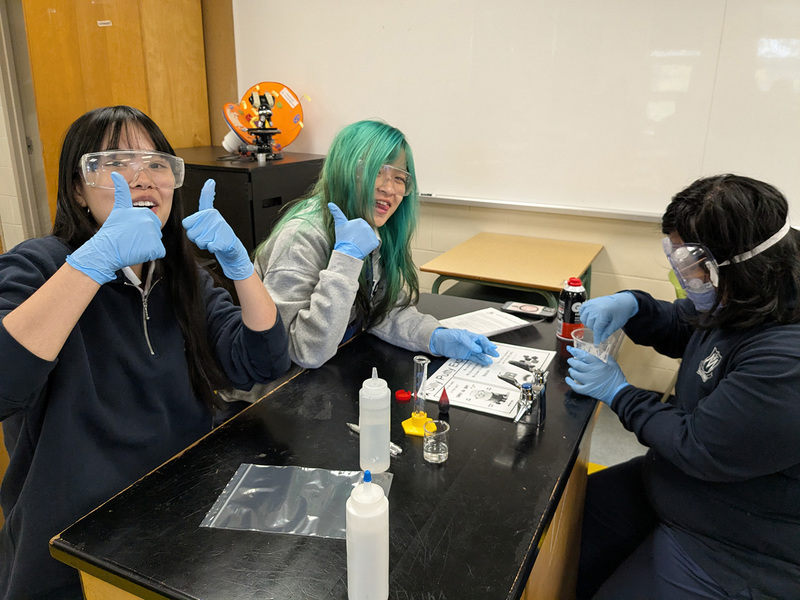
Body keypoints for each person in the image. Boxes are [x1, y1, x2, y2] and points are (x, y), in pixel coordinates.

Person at [0, 106, 291, 599]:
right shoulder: (37, 266)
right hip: (74, 540)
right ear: (77, 189)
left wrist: (242, 268)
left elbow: (262, 362)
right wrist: (94, 262)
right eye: (117, 162)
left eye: (157, 163)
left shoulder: (180, 275)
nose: (142, 178)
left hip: (178, 513)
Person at [565, 174, 800, 599]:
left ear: (731, 266)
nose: (685, 277)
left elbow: (700, 446)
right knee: (566, 530)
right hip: (675, 483)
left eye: (690, 267)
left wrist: (620, 393)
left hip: (740, 544)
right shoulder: (754, 291)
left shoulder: (788, 360)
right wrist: (636, 307)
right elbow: (693, 324)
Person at [254, 119, 499, 369]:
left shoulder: (369, 227)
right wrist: (346, 260)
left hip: (334, 364)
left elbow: (381, 310)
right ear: (344, 171)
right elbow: (304, 350)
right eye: (377, 172)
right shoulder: (301, 236)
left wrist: (434, 336)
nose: (389, 188)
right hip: (282, 382)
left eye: (399, 177)